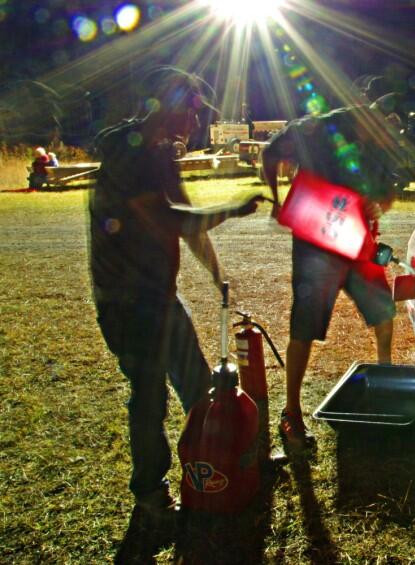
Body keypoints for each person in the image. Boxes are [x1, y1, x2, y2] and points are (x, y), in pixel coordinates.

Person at [89, 66, 263, 527]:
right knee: (149, 397)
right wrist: (231, 209)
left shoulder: (161, 154)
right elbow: (168, 219)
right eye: (192, 111)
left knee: (199, 383)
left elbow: (182, 213)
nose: (196, 121)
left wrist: (217, 274)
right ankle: (150, 493)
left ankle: (217, 465)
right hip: (125, 302)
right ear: (166, 106)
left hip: (159, 296)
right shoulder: (128, 154)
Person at [262, 91, 405, 451]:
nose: (388, 139)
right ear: (371, 116)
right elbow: (270, 152)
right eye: (386, 130)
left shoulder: (382, 145)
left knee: (383, 310)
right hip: (317, 245)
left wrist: (380, 203)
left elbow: (389, 190)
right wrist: (277, 200)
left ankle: (384, 375)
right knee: (304, 325)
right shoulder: (320, 128)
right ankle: (291, 411)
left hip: (357, 241)